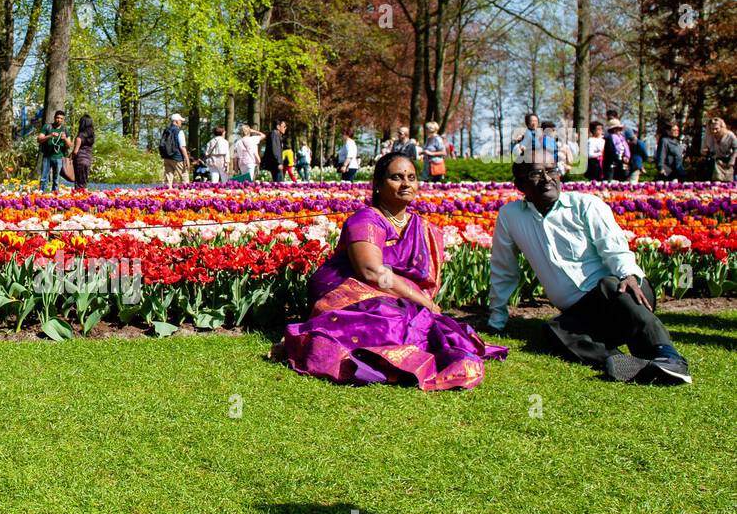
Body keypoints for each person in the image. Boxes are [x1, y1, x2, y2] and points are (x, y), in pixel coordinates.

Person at [281, 151, 507, 390]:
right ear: (378, 185)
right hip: (347, 291)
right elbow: (371, 271)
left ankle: (409, 358)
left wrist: (420, 302)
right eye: (397, 177)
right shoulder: (367, 220)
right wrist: (422, 300)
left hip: (395, 294)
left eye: (411, 177)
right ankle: (380, 360)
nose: (406, 183)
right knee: (391, 317)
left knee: (425, 324)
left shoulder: (417, 224)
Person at [489, 154, 690, 384]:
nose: (547, 179)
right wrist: (497, 318)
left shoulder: (585, 205)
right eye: (536, 173)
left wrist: (627, 273)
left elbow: (614, 247)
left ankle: (668, 357)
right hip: (584, 311)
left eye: (552, 170)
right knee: (554, 330)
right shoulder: (511, 216)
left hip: (624, 294)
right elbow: (503, 267)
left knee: (610, 285)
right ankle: (624, 363)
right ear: (520, 185)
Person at [36, 110, 70, 193]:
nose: (59, 120)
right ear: (54, 118)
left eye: (61, 118)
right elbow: (39, 139)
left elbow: (69, 145)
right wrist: (50, 136)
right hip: (47, 156)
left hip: (59, 157)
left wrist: (65, 139)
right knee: (44, 178)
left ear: (63, 119)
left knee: (56, 179)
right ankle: (41, 194)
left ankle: (54, 196)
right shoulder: (47, 127)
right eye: (57, 118)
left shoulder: (65, 129)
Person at [701, 117, 736, 182]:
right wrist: (706, 152)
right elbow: (703, 149)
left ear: (722, 127)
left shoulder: (730, 135)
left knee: (728, 184)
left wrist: (731, 161)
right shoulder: (709, 135)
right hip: (714, 162)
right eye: (712, 129)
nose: (714, 131)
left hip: (727, 162)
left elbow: (736, 148)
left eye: (716, 129)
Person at [160, 113, 190, 188]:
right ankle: (187, 192)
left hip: (166, 157)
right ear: (176, 121)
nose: (181, 123)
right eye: (180, 121)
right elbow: (182, 147)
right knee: (184, 175)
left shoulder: (166, 130)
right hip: (177, 157)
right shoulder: (179, 131)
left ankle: (167, 192)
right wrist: (187, 159)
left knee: (168, 176)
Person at [70, 114, 94, 190]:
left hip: (80, 161)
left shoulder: (80, 136)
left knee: (79, 183)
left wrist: (69, 158)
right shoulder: (92, 136)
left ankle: (79, 199)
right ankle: (83, 198)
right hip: (88, 160)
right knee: (84, 182)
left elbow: (75, 151)